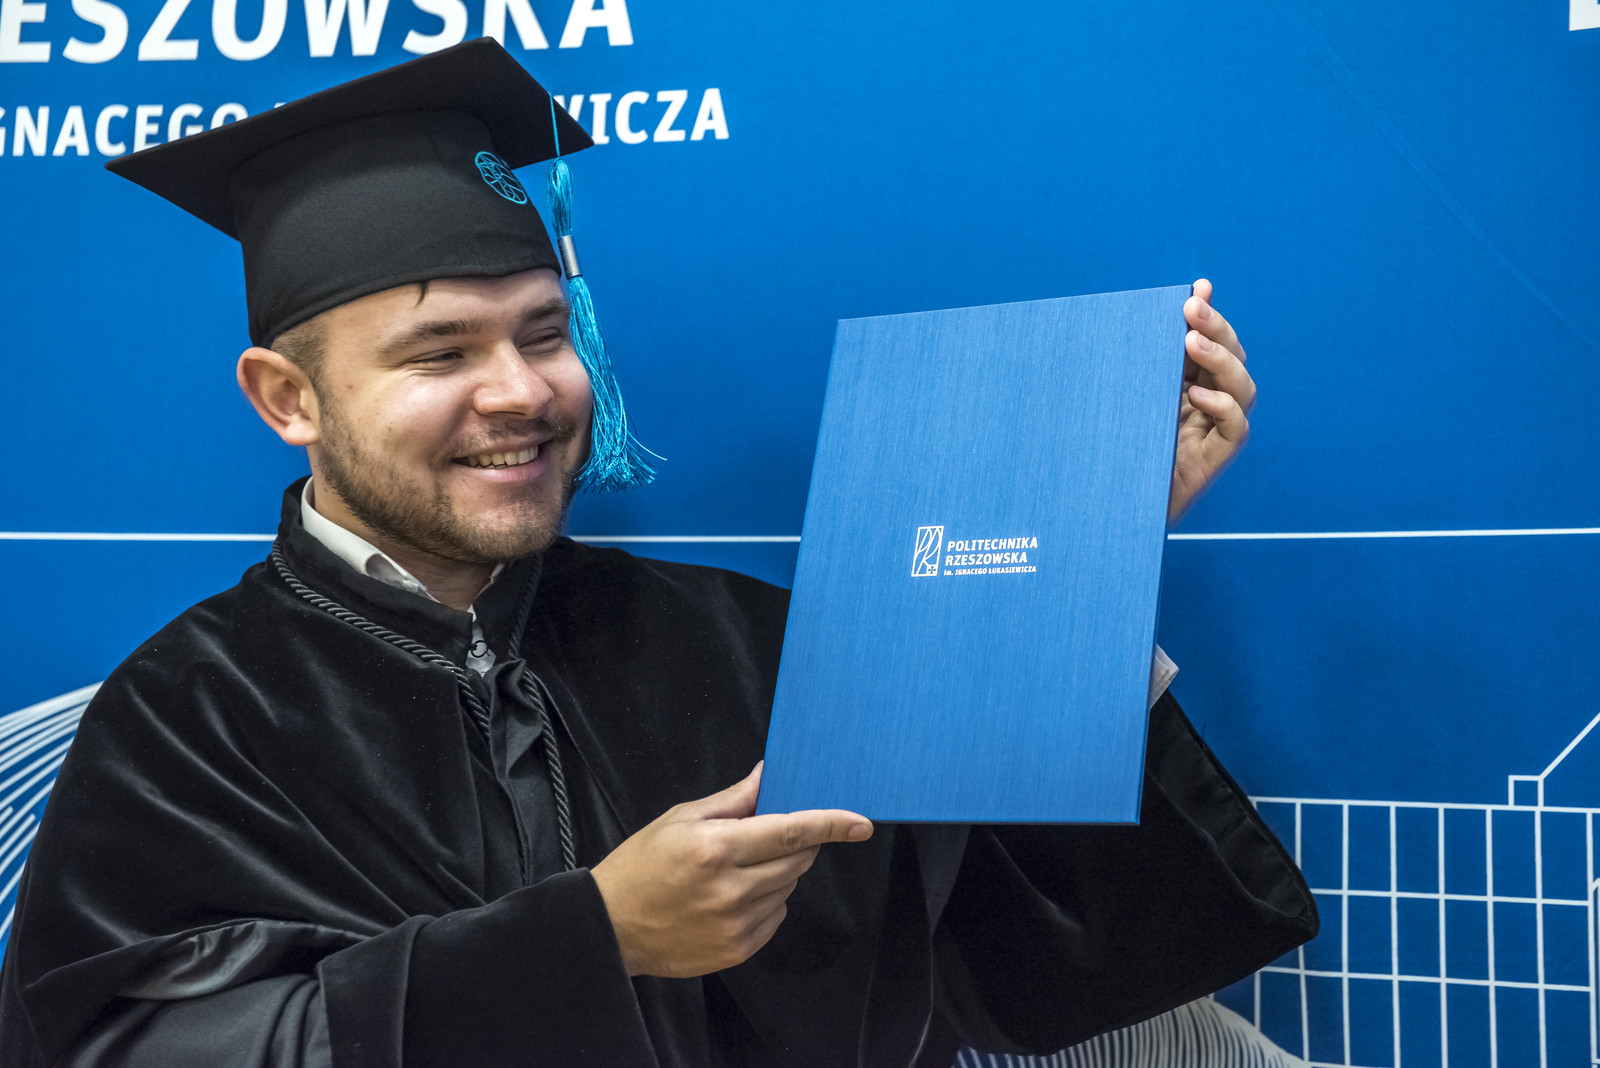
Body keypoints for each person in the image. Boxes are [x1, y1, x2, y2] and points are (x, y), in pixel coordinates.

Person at [0, 39, 1315, 1068]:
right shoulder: (193, 718)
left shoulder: (745, 642)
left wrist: (1084, 554)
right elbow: (127, 1047)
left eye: (543, 332)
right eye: (441, 352)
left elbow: (1023, 958)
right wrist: (592, 941)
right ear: (287, 398)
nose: (522, 391)